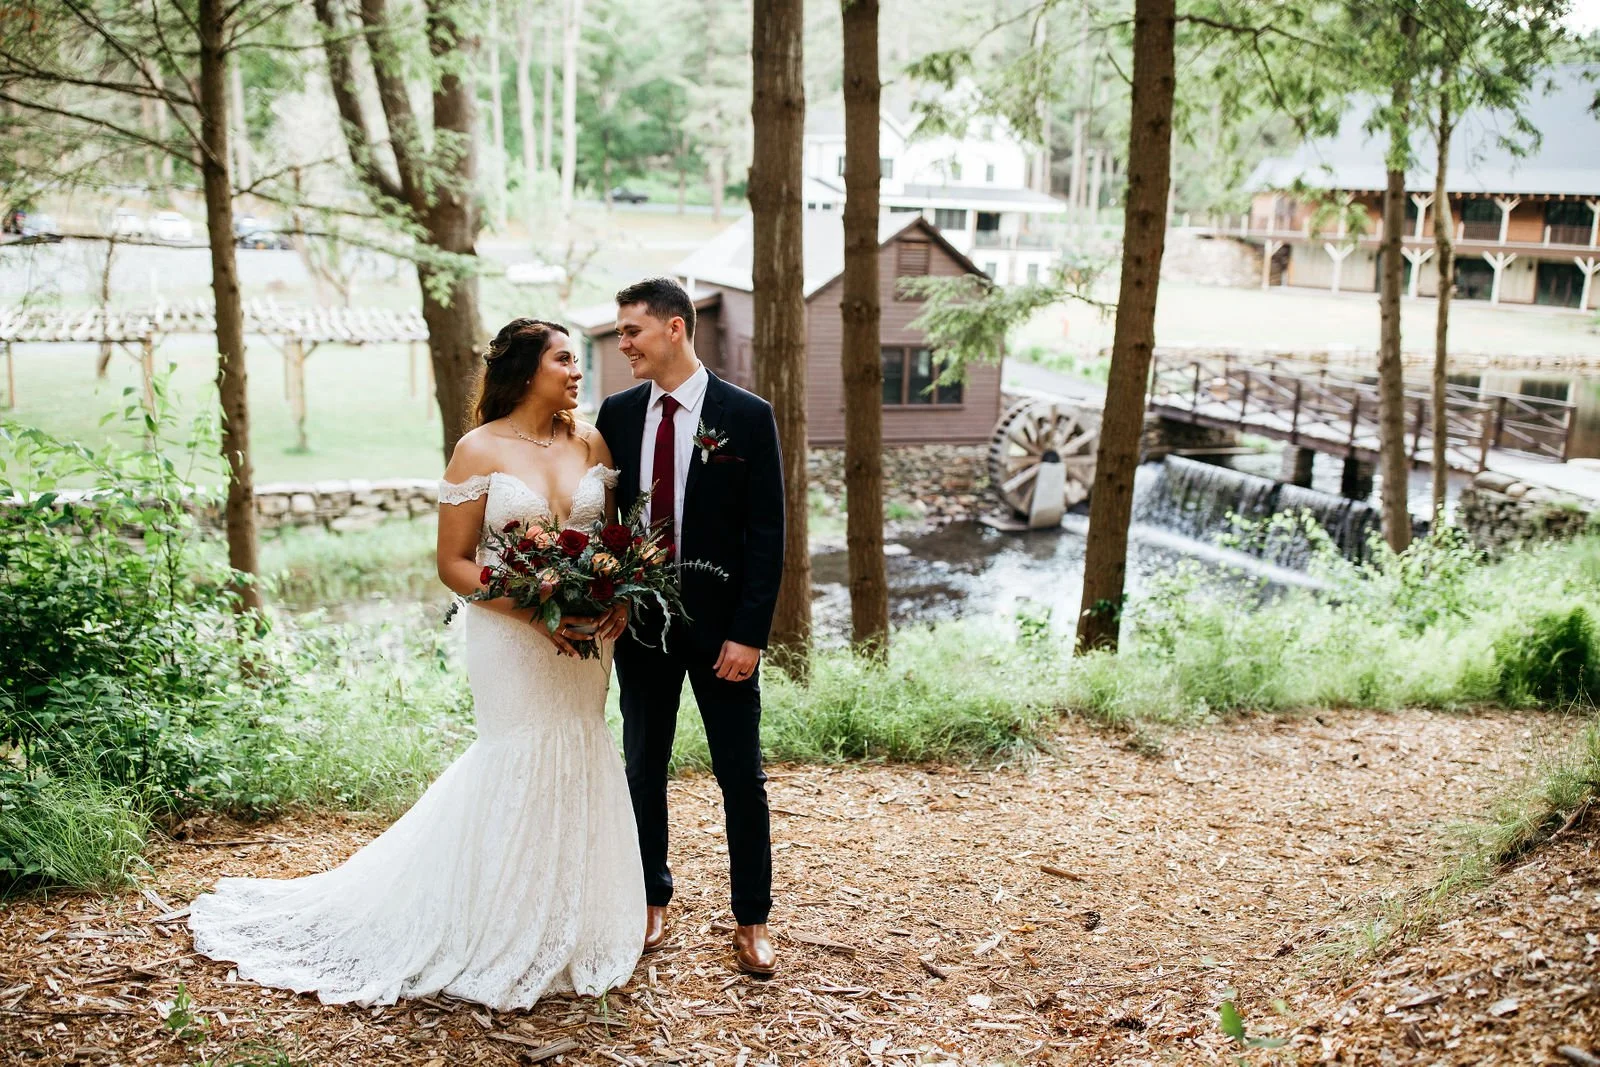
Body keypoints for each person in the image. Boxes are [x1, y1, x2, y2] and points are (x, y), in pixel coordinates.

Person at [188, 319, 644, 1009]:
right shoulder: (477, 449)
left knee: (579, 750)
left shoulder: (591, 440)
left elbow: (608, 542)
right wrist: (537, 612)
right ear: (525, 371)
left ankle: (568, 924)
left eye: (576, 360)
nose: (577, 372)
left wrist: (617, 603)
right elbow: (454, 564)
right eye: (563, 360)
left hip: (585, 640)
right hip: (513, 635)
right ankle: (494, 923)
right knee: (516, 757)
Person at [596, 277, 785, 977]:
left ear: (674, 328)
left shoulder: (747, 414)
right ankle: (650, 899)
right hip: (640, 626)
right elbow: (607, 521)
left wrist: (751, 632)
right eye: (619, 333)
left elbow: (768, 533)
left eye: (631, 331)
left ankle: (753, 919)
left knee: (743, 775)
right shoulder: (615, 414)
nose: (623, 345)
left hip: (723, 634)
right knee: (643, 766)